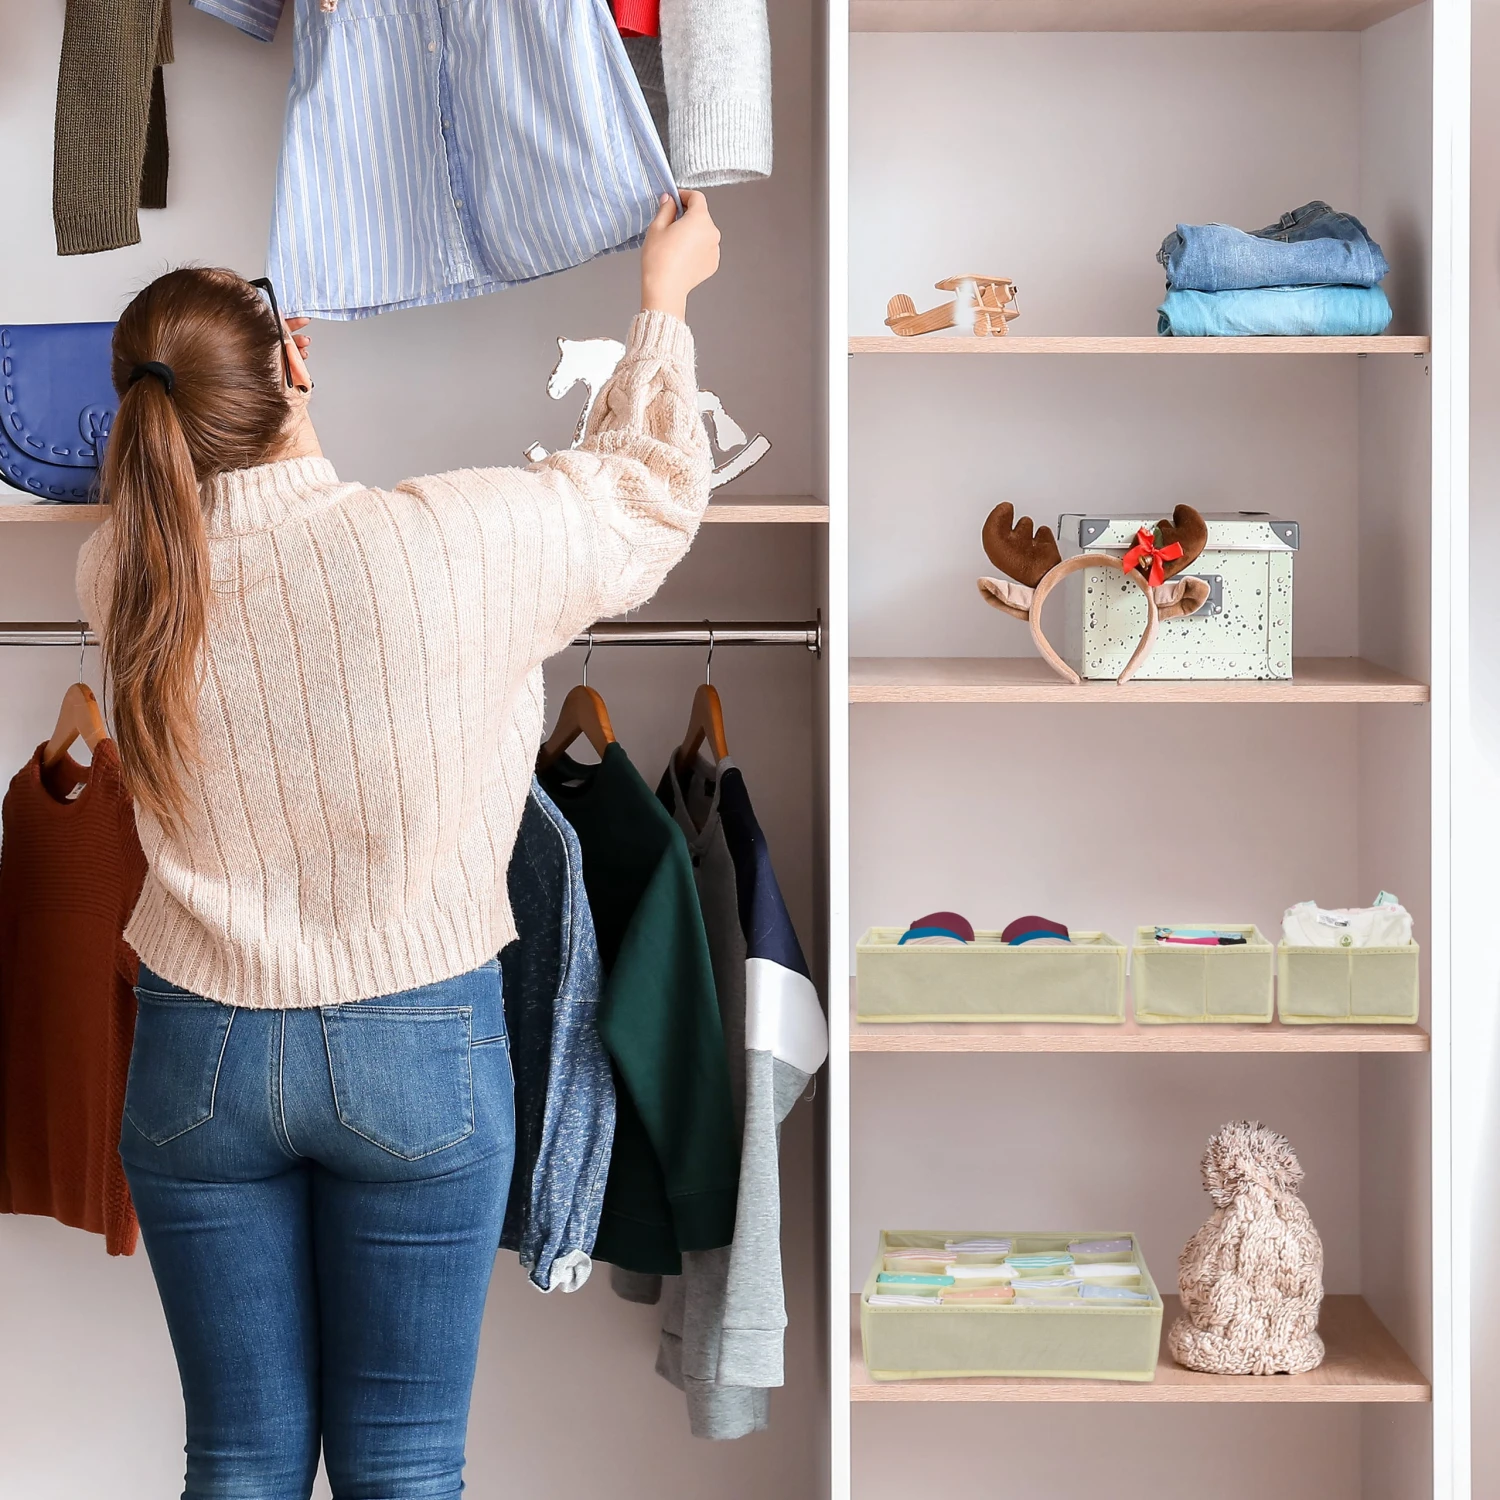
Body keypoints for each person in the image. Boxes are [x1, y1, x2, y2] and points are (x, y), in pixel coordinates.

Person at [76, 191, 721, 1500]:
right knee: (407, 1466)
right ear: (296, 359)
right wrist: (665, 303)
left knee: (240, 1461)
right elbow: (649, 495)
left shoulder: (124, 580)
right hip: (419, 1047)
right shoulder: (455, 543)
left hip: (197, 1054)